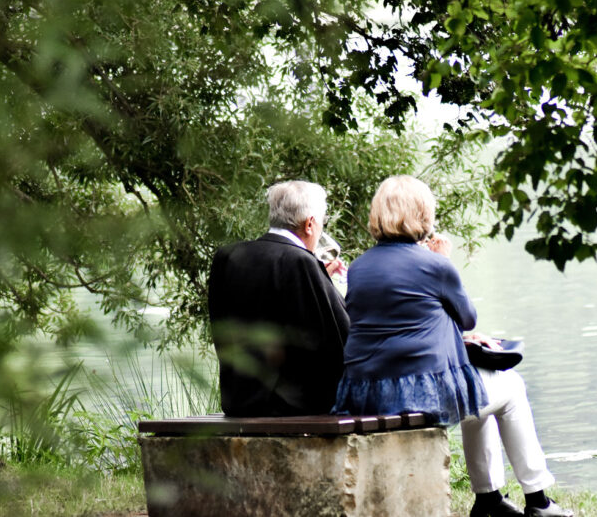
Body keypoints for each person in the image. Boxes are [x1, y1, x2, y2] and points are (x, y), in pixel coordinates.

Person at [333, 175, 573, 517]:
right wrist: (445, 260)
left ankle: (489, 500)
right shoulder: (434, 265)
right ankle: (538, 500)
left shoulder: (358, 268)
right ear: (422, 215)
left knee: (479, 392)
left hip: (368, 391)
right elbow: (467, 317)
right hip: (417, 394)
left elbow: (399, 319)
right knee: (512, 388)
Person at [208, 180, 349, 417]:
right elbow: (338, 337)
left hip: (238, 400)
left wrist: (320, 275)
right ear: (311, 224)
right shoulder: (301, 262)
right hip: (292, 406)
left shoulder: (227, 256)